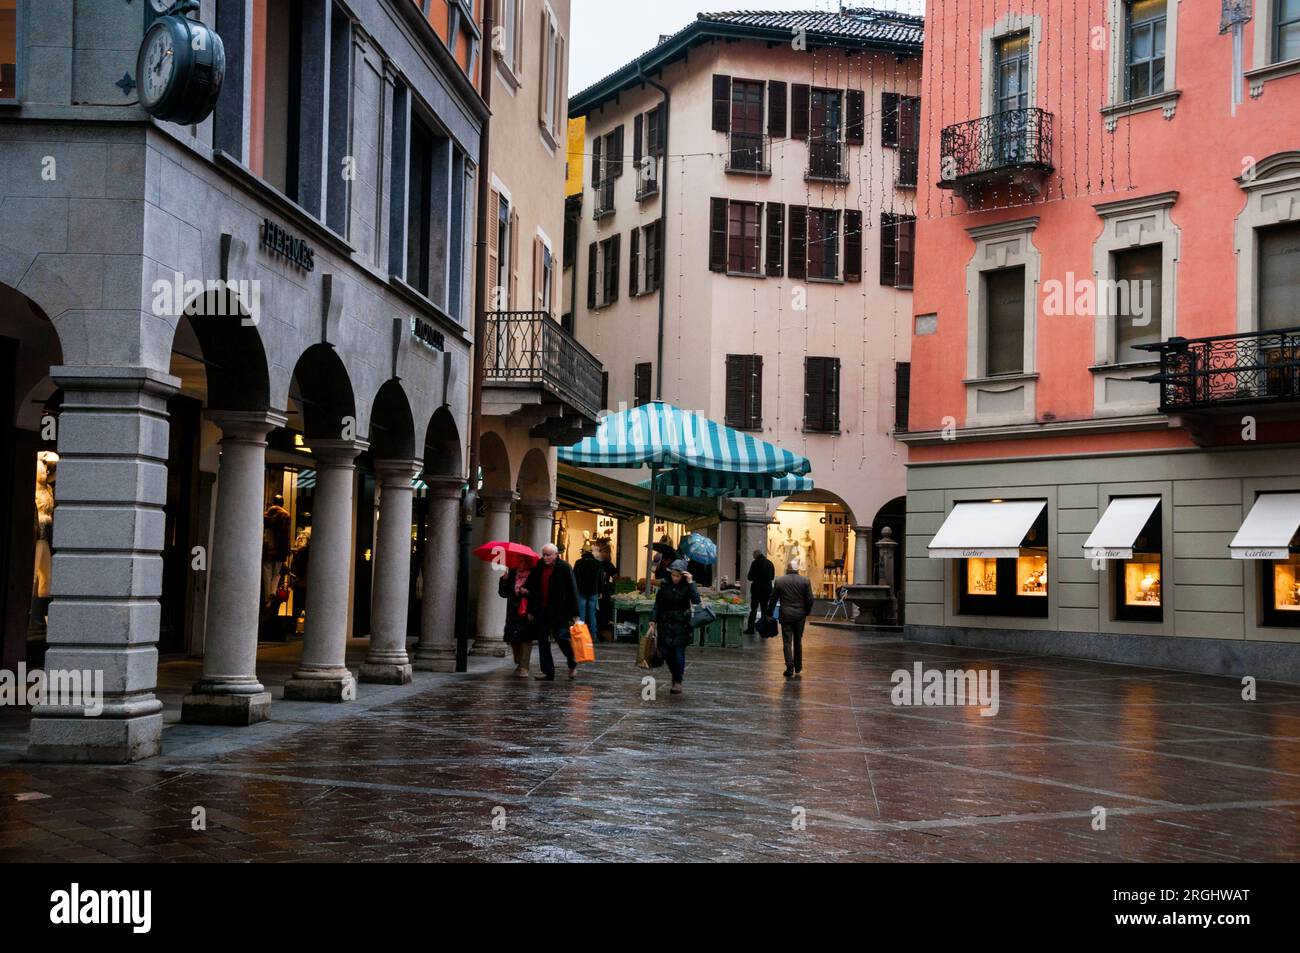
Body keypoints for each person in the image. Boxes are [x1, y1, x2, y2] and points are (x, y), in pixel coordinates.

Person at [649, 559, 700, 695]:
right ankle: (675, 673)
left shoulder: (687, 586)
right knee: (665, 653)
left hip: (681, 625)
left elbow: (696, 600)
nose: (675, 578)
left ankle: (677, 681)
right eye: (673, 575)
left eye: (678, 576)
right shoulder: (665, 585)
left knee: (678, 654)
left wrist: (691, 582)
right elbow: (657, 604)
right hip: (665, 624)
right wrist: (653, 620)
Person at [532, 543, 582, 680]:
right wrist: (531, 608)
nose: (545, 557)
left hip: (560, 610)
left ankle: (572, 661)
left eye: (548, 555)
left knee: (561, 637)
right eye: (543, 555)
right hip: (542, 609)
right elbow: (534, 588)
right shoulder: (539, 567)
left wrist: (575, 614)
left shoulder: (564, 567)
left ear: (555, 555)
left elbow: (572, 590)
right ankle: (547, 671)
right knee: (543, 640)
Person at [768, 561, 814, 678]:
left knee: (787, 641)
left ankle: (789, 666)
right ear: (797, 570)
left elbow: (773, 599)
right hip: (800, 615)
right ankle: (798, 666)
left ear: (787, 569)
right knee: (798, 640)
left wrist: (769, 613)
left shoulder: (780, 581)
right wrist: (806, 611)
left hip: (786, 614)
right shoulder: (805, 581)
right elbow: (810, 599)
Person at [498, 554, 539, 678]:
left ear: (527, 563)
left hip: (527, 611)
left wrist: (527, 592)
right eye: (517, 561)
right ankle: (519, 662)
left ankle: (524, 666)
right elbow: (503, 594)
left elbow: (538, 594)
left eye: (521, 561)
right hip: (513, 611)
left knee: (525, 638)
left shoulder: (533, 575)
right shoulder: (512, 573)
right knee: (513, 639)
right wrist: (503, 580)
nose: (518, 564)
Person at [573, 546, 603, 638]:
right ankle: (593, 635)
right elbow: (600, 579)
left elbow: (575, 578)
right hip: (593, 592)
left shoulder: (578, 563)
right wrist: (600, 591)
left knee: (581, 614)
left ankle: (582, 636)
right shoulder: (598, 563)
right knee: (592, 614)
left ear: (583, 552)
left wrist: (575, 590)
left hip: (581, 592)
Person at [744, 548, 775, 634]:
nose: (753, 557)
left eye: (753, 556)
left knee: (753, 609)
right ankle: (764, 629)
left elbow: (749, 577)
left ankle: (751, 629)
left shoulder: (755, 563)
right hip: (767, 590)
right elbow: (772, 577)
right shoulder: (770, 563)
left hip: (756, 590)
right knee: (764, 610)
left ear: (756, 555)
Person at [596, 544, 618, 641]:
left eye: (607, 552)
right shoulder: (596, 564)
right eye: (603, 551)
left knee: (604, 611)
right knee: (597, 612)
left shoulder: (609, 565)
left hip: (605, 592)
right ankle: (598, 632)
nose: (605, 554)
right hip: (596, 591)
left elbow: (615, 577)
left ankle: (602, 631)